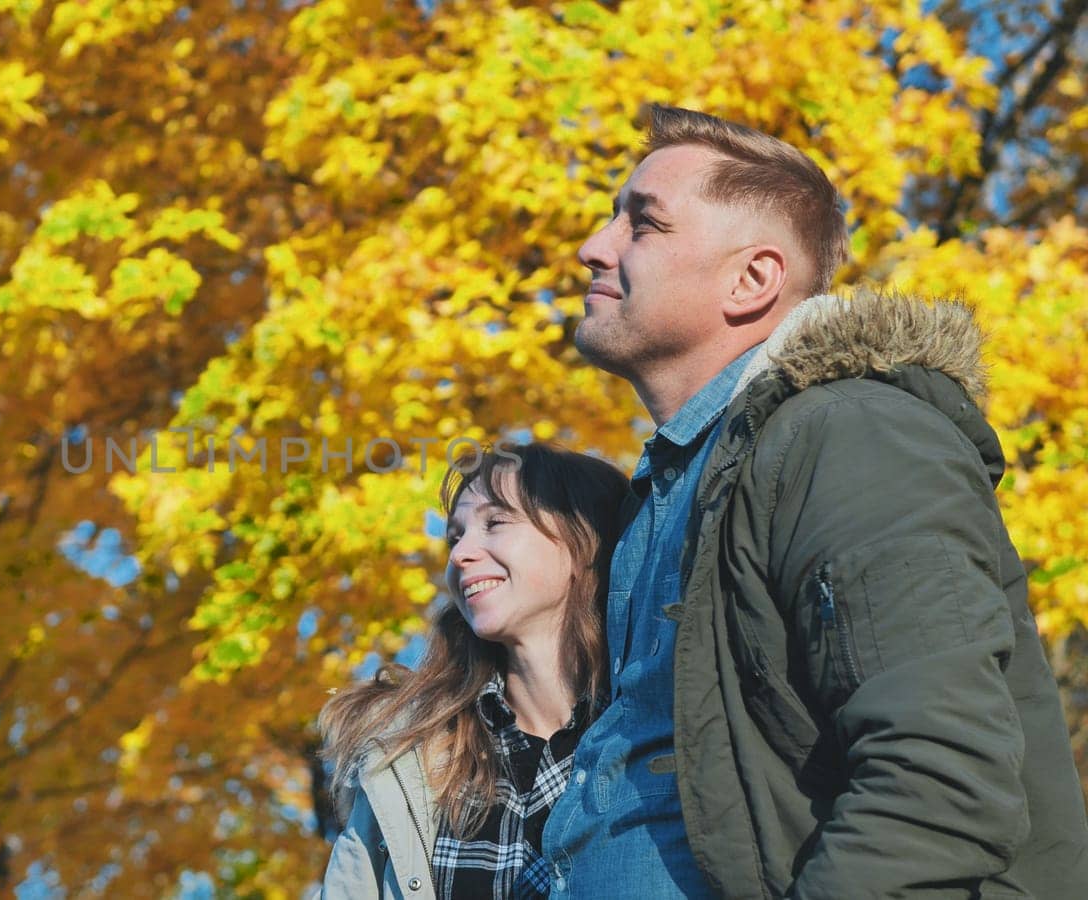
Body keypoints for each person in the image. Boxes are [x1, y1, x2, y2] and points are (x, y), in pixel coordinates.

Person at [540, 103, 1088, 898]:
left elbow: (937, 787)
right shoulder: (672, 489)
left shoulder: (851, 435)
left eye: (643, 224)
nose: (594, 248)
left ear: (752, 279)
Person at [318, 442, 629, 898]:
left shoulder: (654, 730)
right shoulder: (405, 756)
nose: (460, 554)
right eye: (455, 536)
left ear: (584, 543)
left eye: (495, 523)